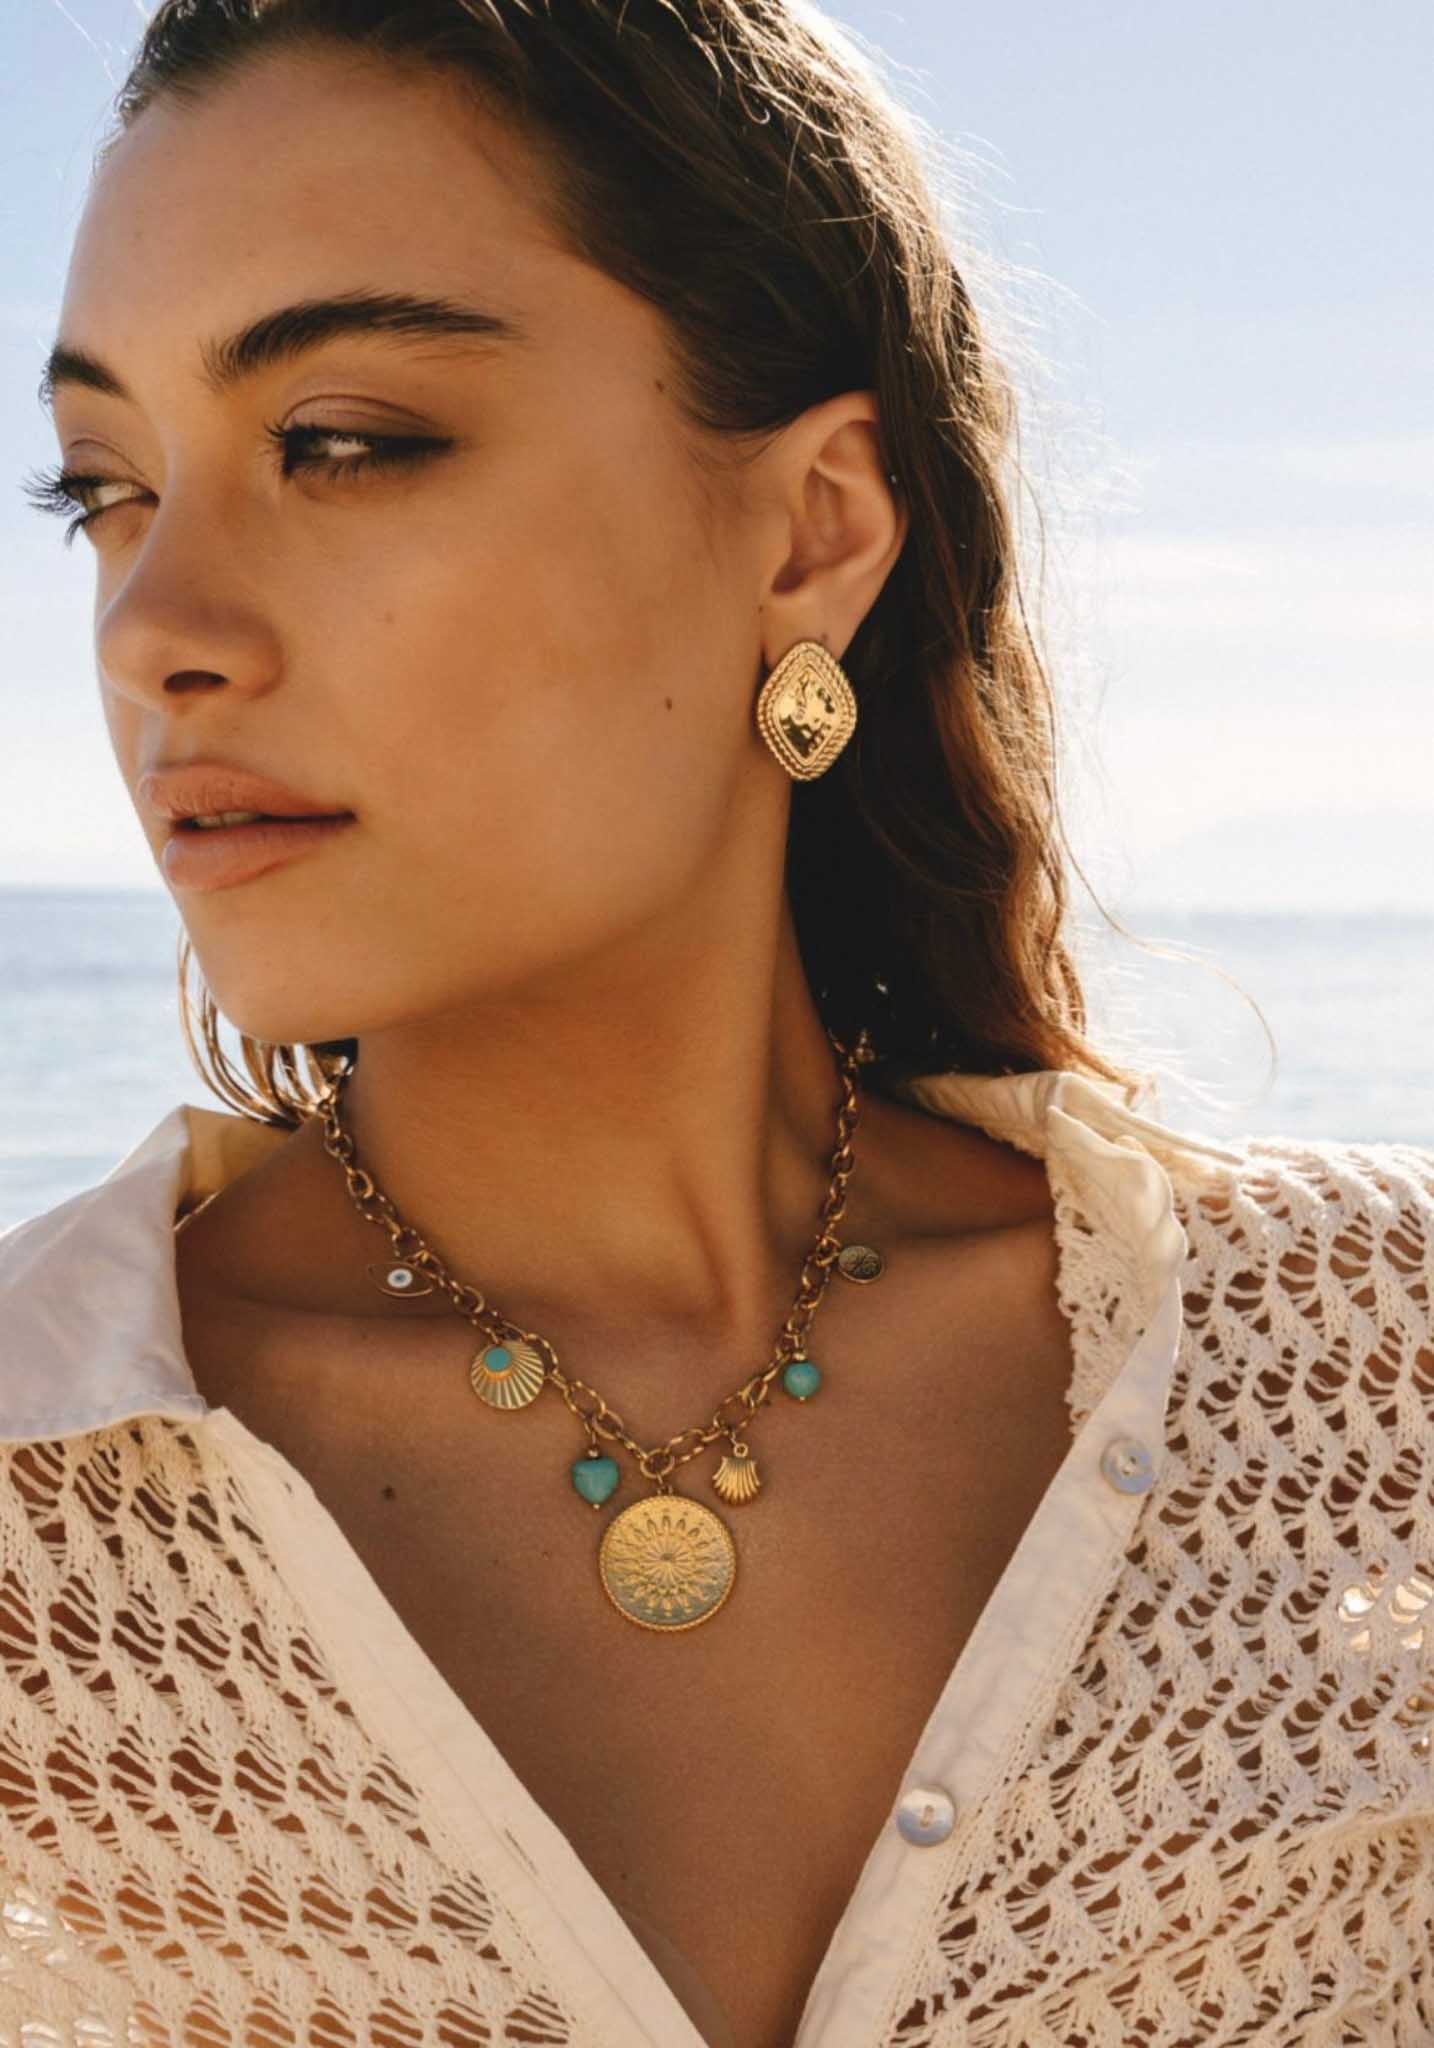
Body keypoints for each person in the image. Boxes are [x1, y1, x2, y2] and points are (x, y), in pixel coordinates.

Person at [3, 2, 1431, 2043]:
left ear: (811, 529)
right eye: (102, 489)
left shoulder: (1368, 1377)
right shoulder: (35, 1514)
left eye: (343, 443)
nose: (156, 630)